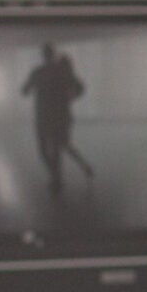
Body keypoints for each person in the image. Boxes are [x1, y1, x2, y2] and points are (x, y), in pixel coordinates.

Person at [21, 41, 92, 195]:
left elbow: (24, 91)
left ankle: (57, 178)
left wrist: (31, 88)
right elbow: (80, 88)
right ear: (53, 54)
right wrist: (71, 97)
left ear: (43, 55)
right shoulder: (62, 71)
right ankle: (75, 170)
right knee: (61, 147)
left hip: (43, 116)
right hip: (61, 115)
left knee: (47, 149)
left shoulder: (38, 72)